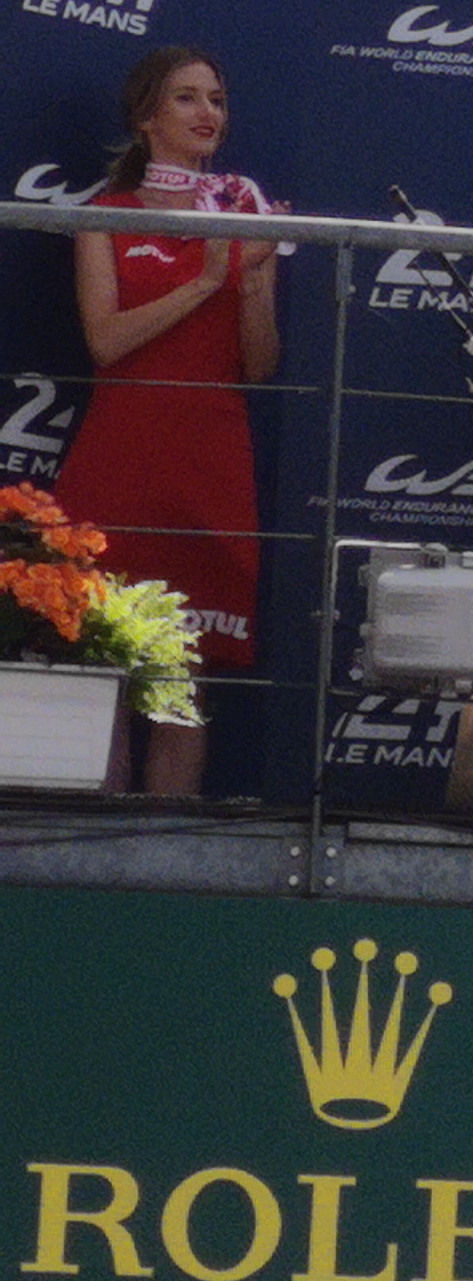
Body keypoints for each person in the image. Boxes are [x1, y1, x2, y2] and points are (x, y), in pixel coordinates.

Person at [54, 47, 275, 796]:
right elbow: (105, 341)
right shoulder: (104, 216)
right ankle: (99, 868)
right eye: (187, 98)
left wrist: (250, 282)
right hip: (123, 456)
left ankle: (162, 863)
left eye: (216, 97)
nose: (208, 112)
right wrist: (209, 278)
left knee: (183, 684)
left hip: (210, 458)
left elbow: (260, 365)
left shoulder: (246, 209)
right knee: (108, 676)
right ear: (147, 117)